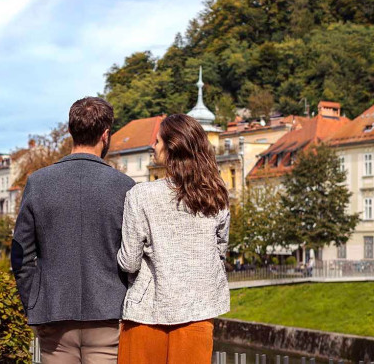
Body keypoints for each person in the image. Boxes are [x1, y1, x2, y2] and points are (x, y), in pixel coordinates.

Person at [12, 97, 135, 364]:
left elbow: (21, 255)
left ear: (71, 131)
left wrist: (34, 302)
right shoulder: (125, 186)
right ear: (105, 134)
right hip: (109, 312)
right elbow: (133, 255)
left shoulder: (38, 182)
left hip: (54, 313)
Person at [117, 114, 231, 364]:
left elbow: (129, 262)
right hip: (198, 311)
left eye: (157, 142)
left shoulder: (141, 195)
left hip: (147, 314)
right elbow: (219, 251)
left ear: (171, 148)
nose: (153, 147)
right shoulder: (216, 196)